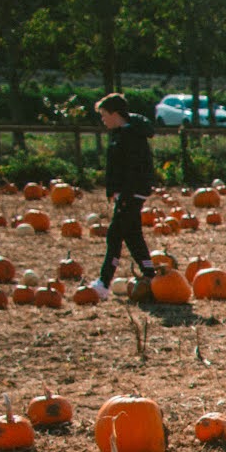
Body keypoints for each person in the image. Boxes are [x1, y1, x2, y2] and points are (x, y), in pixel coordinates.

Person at [89, 93, 157, 301]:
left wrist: (124, 193)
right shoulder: (122, 133)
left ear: (115, 114)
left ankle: (103, 283)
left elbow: (134, 169)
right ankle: (151, 276)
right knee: (133, 235)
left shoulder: (131, 137)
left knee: (115, 235)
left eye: (104, 115)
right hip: (128, 192)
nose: (103, 120)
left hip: (131, 192)